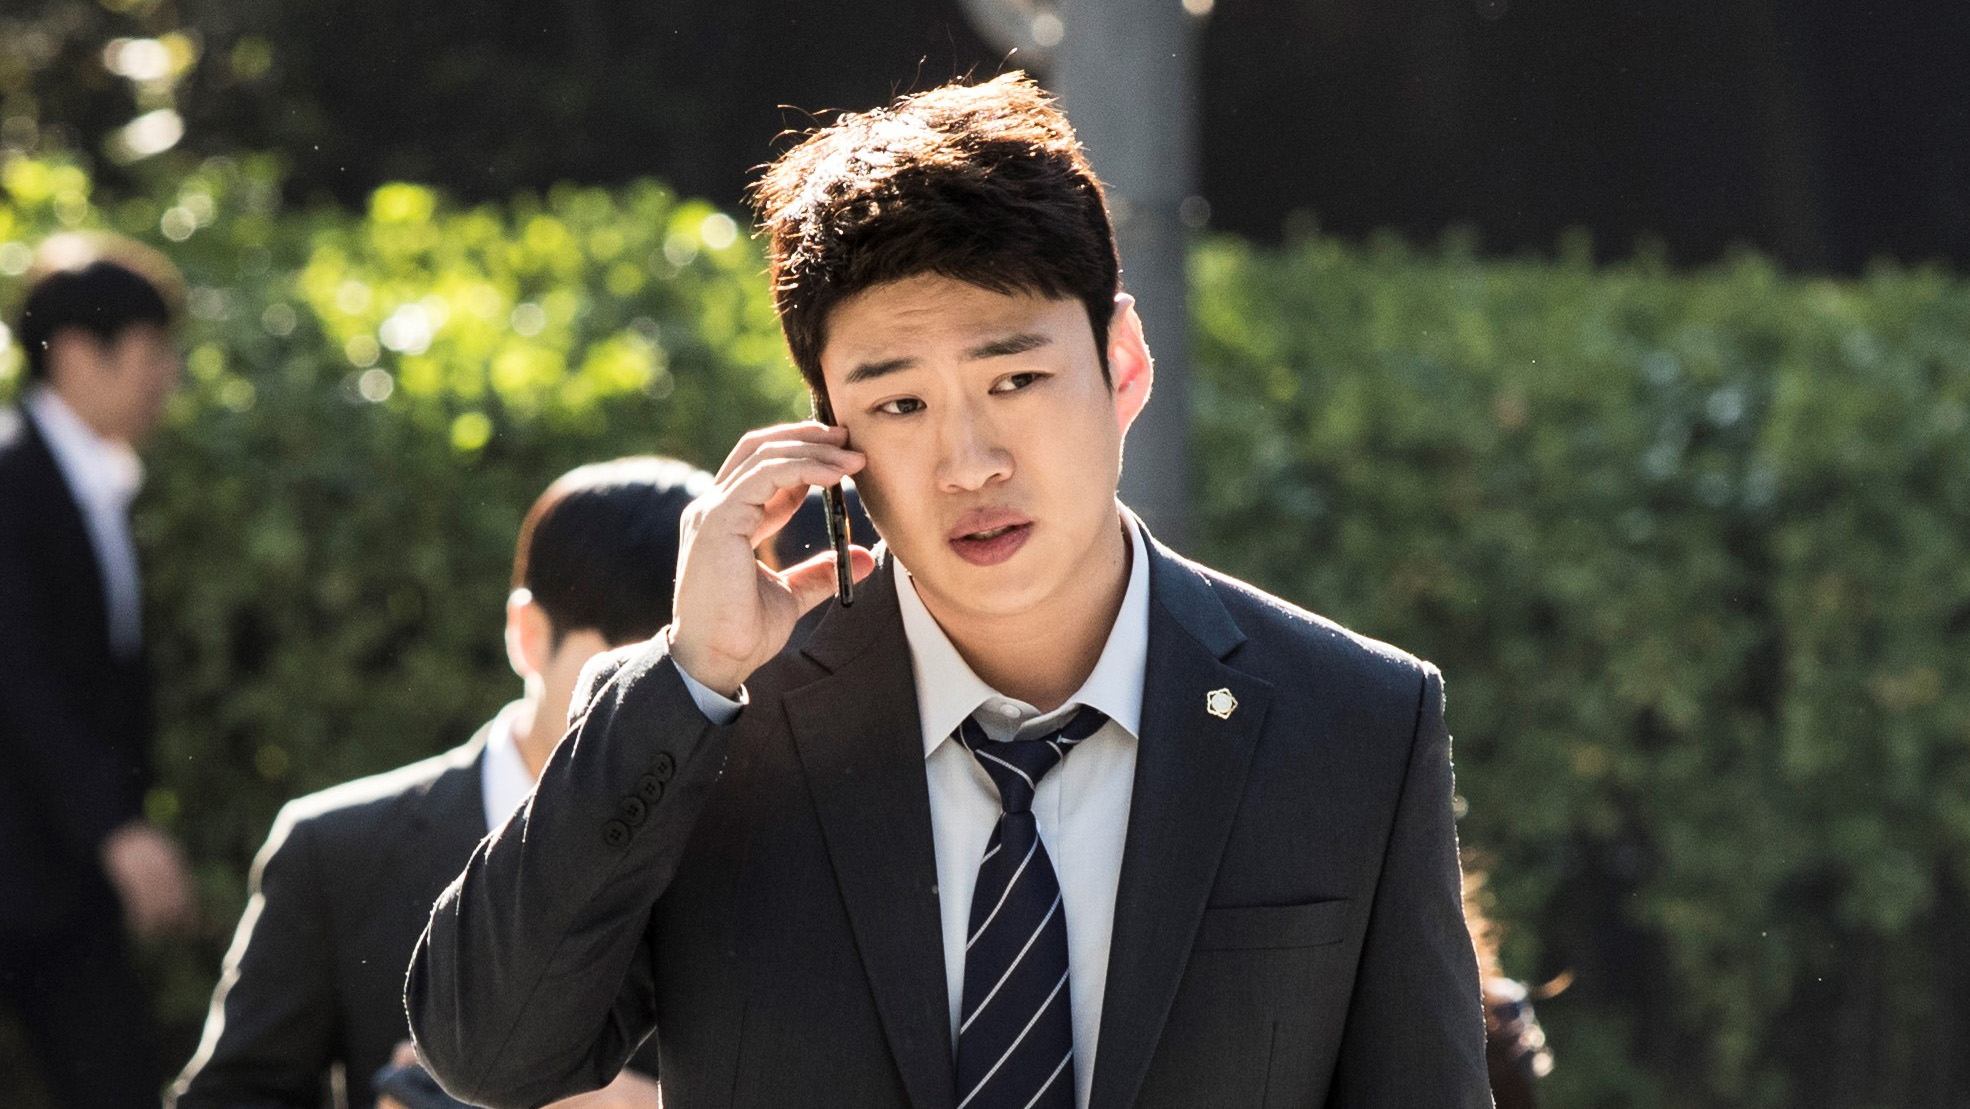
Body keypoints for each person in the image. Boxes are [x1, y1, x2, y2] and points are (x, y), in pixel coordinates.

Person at [410, 73, 1490, 1108]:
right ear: (825, 433)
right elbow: (487, 1049)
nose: (968, 464)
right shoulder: (714, 720)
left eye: (1014, 380)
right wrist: (691, 676)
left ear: (1122, 363)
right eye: (899, 405)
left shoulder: (1353, 720)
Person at [170, 456, 708, 1108]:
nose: (660, 708)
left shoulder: (771, 842)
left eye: (694, 675)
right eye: (632, 673)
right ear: (529, 635)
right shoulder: (336, 852)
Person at [0, 233, 194, 1107]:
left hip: (59, 876)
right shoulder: (12, 480)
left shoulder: (95, 479)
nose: (169, 379)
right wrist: (115, 826)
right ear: (79, 355)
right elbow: (19, 674)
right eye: (153, 355)